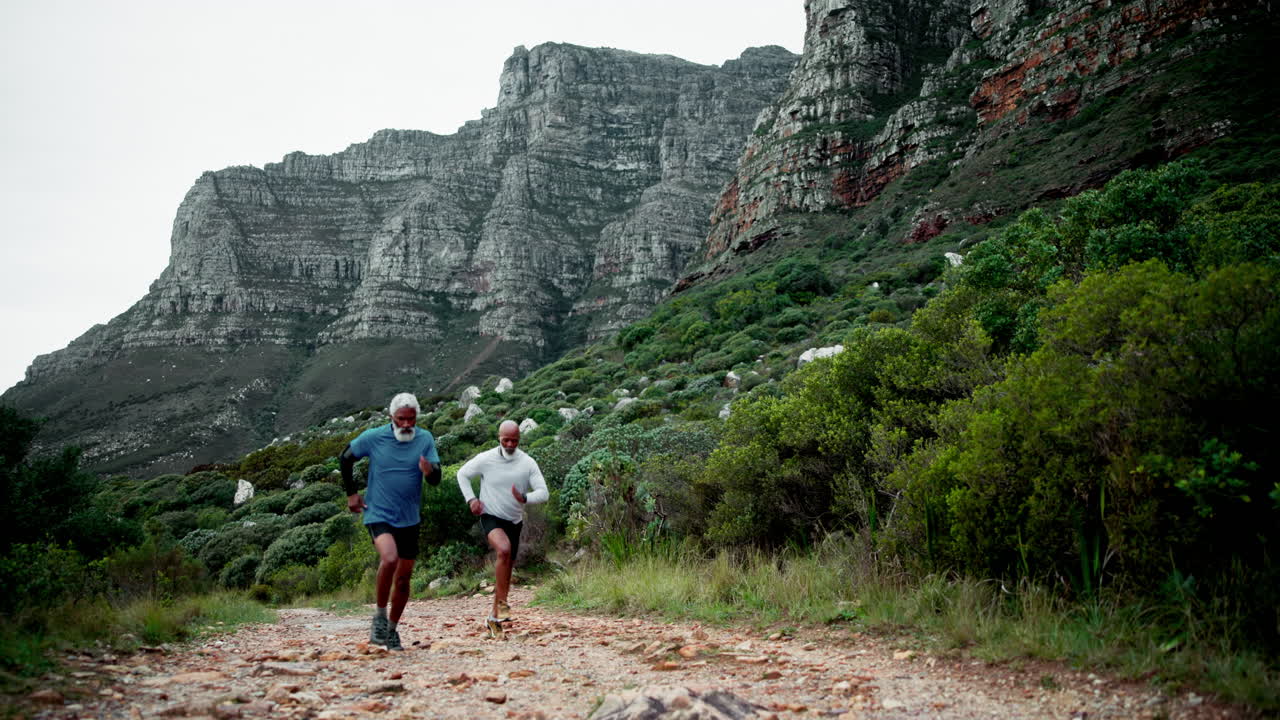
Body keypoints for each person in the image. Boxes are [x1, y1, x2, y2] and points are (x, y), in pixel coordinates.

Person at [340, 392, 441, 651]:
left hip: (409, 518)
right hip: (379, 513)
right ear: (391, 418)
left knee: (404, 578)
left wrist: (430, 471)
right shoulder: (374, 438)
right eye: (401, 419)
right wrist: (352, 493)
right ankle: (380, 617)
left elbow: (436, 479)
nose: (407, 425)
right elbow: (345, 457)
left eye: (411, 419)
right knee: (389, 558)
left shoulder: (425, 439)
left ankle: (393, 630)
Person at [456, 419, 548, 636]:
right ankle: (498, 613)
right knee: (504, 550)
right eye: (505, 440)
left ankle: (496, 611)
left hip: (515, 521)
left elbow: (543, 492)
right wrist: (471, 500)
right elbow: (462, 474)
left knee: (508, 567)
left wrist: (524, 497)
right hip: (490, 516)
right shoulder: (486, 459)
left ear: (519, 439)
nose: (509, 444)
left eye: (514, 441)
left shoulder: (527, 463)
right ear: (499, 437)